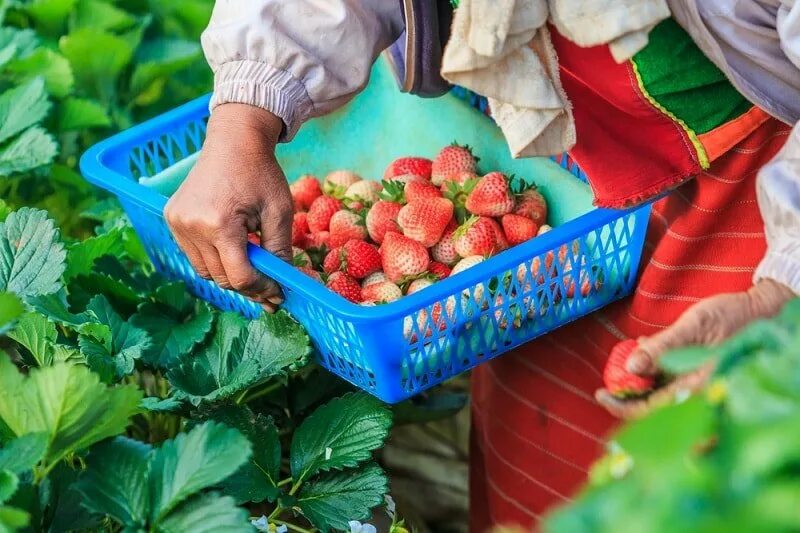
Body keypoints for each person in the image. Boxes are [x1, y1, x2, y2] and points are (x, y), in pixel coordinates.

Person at [164, 1, 800, 530]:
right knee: (547, 472)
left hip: (759, 192)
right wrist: (244, 118)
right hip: (555, 199)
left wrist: (782, 291)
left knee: (709, 468)